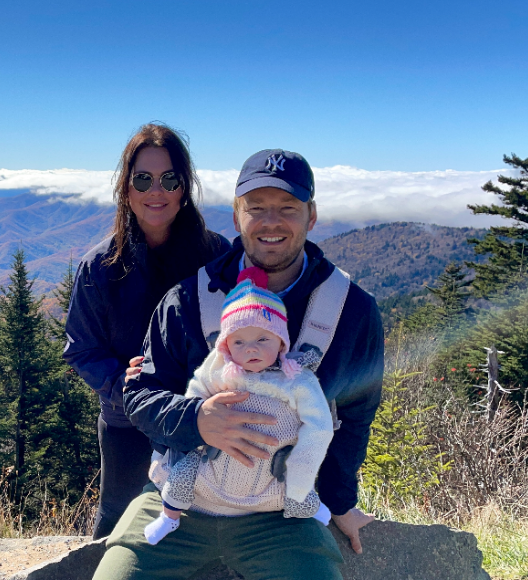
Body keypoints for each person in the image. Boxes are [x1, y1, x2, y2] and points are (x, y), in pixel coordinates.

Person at [93, 149, 384, 580]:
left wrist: (340, 502)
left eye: (288, 208)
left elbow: (357, 413)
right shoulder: (190, 299)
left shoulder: (350, 311)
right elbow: (140, 395)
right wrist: (198, 419)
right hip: (177, 506)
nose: (271, 222)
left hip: (280, 517)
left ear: (312, 215)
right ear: (236, 215)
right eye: (256, 208)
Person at [63, 123, 230, 540]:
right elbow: (81, 350)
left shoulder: (217, 257)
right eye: (143, 179)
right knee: (116, 522)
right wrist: (127, 388)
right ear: (126, 188)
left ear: (183, 188)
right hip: (126, 424)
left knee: (203, 521)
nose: (156, 190)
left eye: (169, 179)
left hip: (203, 419)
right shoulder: (98, 267)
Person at [142, 266, 334, 546]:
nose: (251, 349)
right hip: (213, 465)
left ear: (281, 341)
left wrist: (301, 472)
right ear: (226, 345)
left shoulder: (297, 380)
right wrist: (198, 418)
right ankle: (169, 518)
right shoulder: (220, 369)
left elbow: (319, 427)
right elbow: (195, 392)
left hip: (271, 472)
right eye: (239, 342)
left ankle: (312, 510)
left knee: (299, 495)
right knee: (181, 476)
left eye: (262, 339)